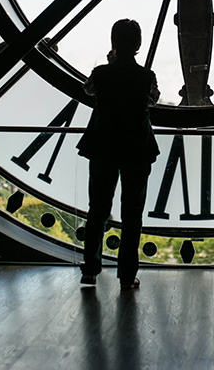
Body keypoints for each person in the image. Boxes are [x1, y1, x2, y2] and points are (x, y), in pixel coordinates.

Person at [77, 19, 160, 290]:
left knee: (98, 209)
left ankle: (90, 269)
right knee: (132, 214)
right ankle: (127, 274)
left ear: (113, 42)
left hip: (103, 145)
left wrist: (108, 63)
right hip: (136, 147)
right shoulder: (146, 77)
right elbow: (153, 99)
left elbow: (88, 89)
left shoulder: (101, 74)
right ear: (138, 44)